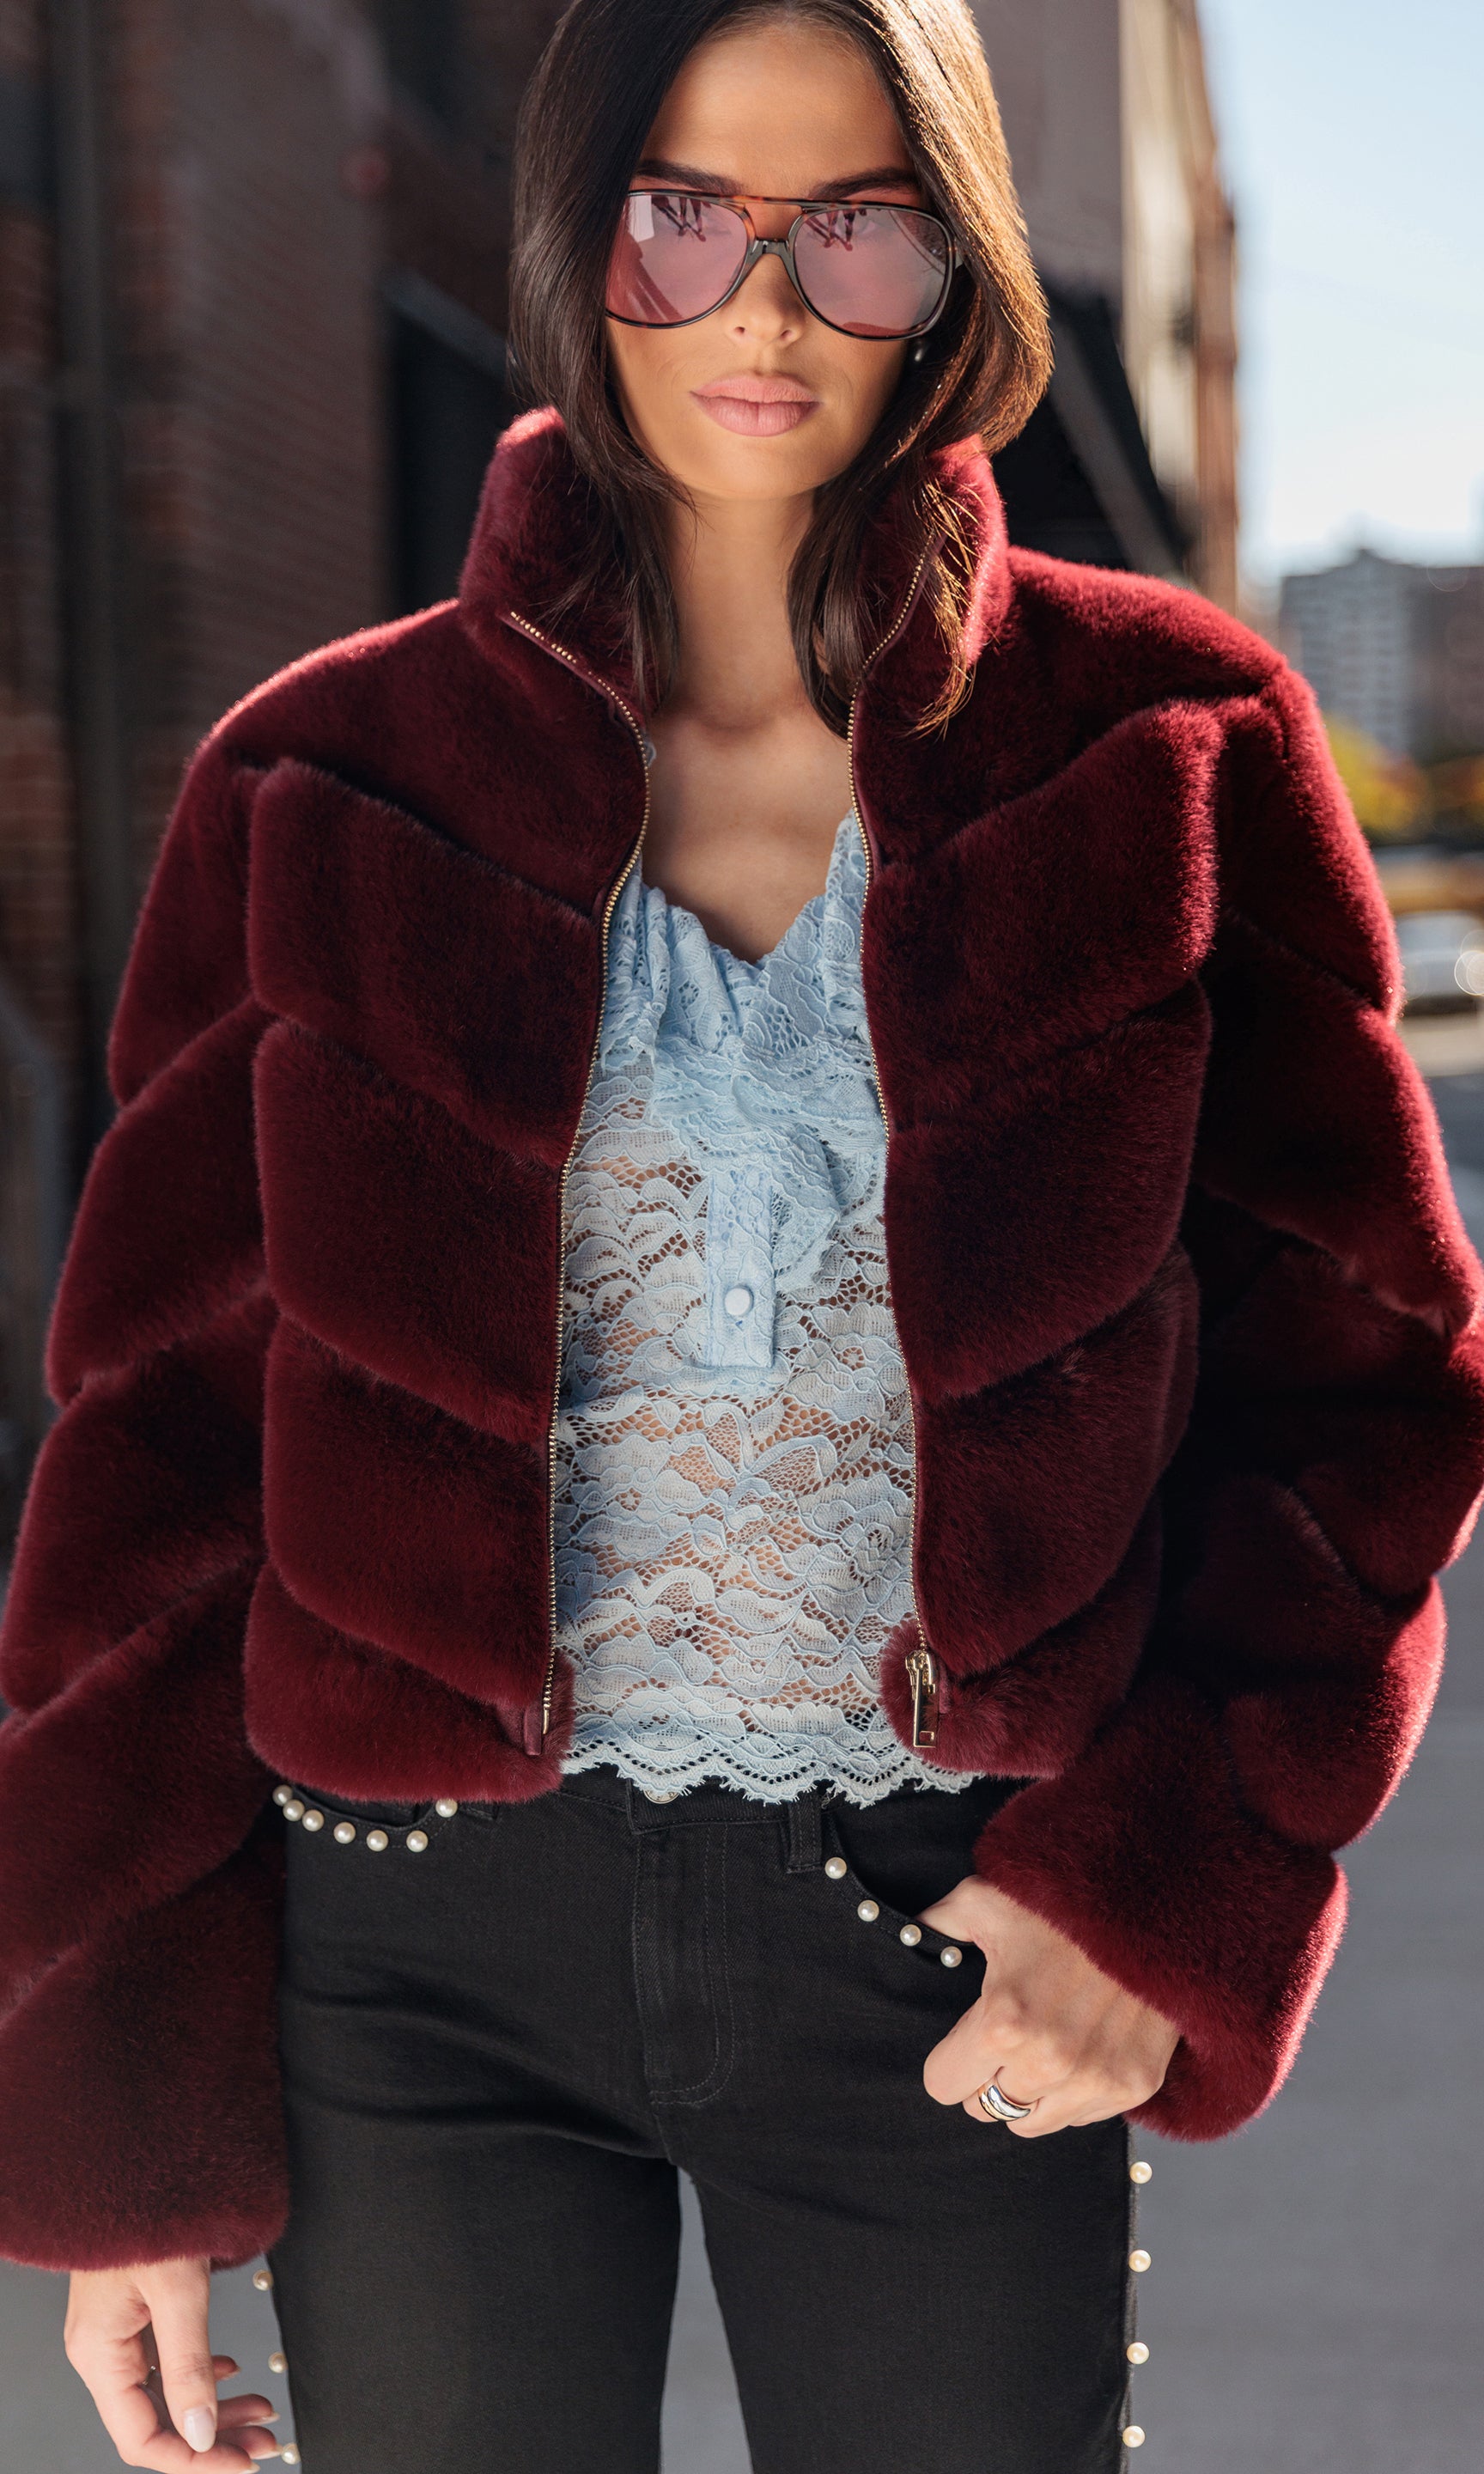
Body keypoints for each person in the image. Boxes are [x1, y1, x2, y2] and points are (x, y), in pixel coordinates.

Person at [3, 2, 1481, 2469]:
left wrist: (1169, 1884)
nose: (766, 310)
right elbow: (147, 1483)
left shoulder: (1173, 746)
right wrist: (113, 2127)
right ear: (589, 246)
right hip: (413, 1957)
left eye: (854, 228)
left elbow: (1372, 1399)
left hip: (947, 1932)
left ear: (957, 263)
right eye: (689, 216)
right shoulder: (322, 777)